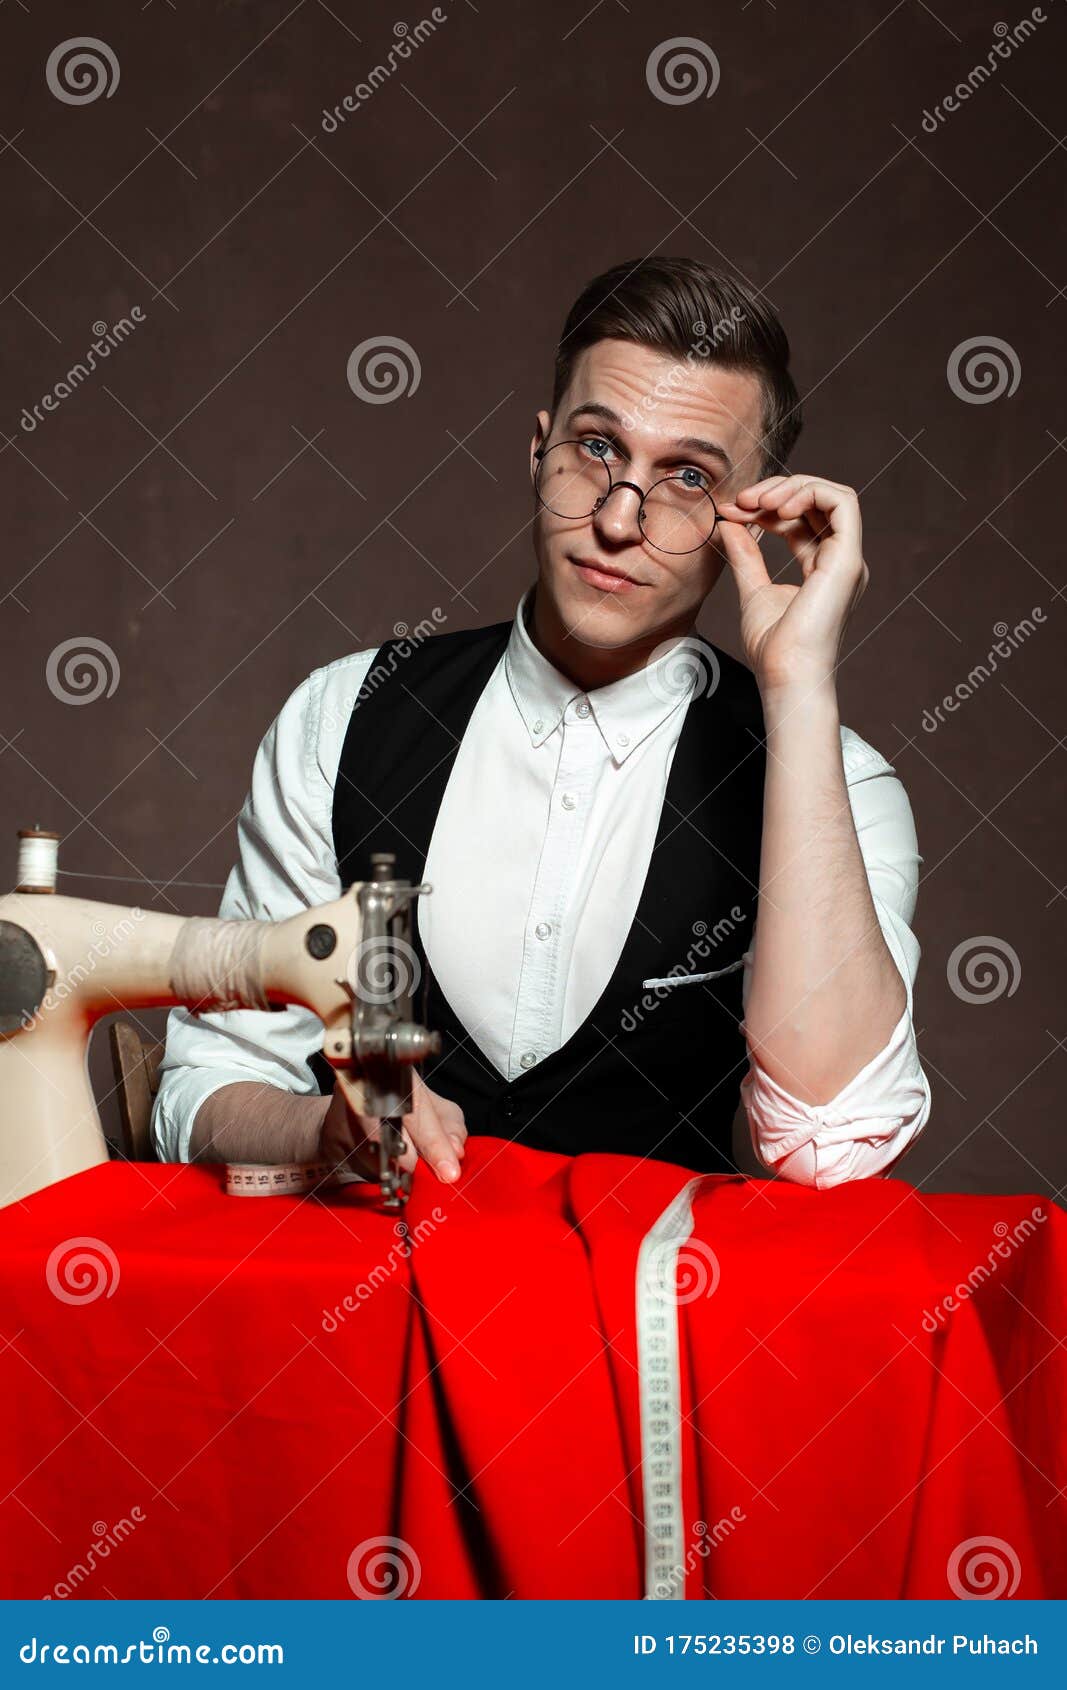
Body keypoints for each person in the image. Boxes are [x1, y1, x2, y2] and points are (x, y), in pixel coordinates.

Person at [152, 255, 930, 1191]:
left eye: (687, 476)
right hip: (358, 1318)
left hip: (658, 1326)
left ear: (747, 522)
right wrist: (320, 1129)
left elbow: (829, 1149)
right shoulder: (342, 717)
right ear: (537, 451)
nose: (616, 520)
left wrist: (799, 686)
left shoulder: (836, 786)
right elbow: (205, 1083)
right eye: (597, 448)